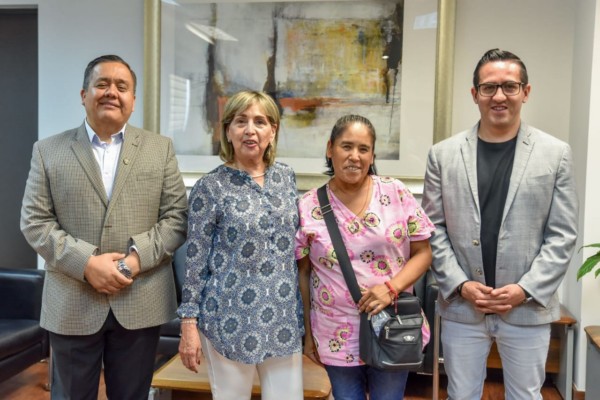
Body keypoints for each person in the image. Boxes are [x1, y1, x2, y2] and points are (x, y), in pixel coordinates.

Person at [20, 55, 188, 399]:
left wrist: (132, 262)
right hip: (72, 300)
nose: (112, 91)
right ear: (84, 95)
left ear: (133, 100)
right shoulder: (48, 151)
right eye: (102, 84)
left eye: (121, 86)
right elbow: (35, 222)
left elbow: (176, 218)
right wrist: (87, 263)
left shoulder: (160, 149)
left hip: (141, 298)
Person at [421, 49, 579, 399]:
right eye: (489, 87)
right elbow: (433, 230)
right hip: (463, 307)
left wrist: (525, 289)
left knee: (525, 395)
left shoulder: (555, 153)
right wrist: (462, 285)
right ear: (475, 93)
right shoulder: (443, 155)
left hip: (526, 307)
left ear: (526, 91)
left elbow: (562, 234)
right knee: (461, 394)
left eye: (510, 86)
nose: (499, 96)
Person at [295, 114, 434, 400]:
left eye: (363, 149)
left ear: (372, 155)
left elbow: (423, 254)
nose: (354, 156)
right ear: (330, 148)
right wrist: (308, 333)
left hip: (391, 327)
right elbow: (304, 274)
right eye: (346, 146)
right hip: (335, 332)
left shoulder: (395, 193)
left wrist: (391, 288)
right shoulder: (308, 206)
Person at [177, 90, 304, 399]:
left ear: (273, 131)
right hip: (228, 319)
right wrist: (189, 324)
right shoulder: (210, 187)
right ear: (228, 131)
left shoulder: (286, 178)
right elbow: (195, 260)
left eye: (260, 122)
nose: (250, 130)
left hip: (283, 316)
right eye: (240, 121)